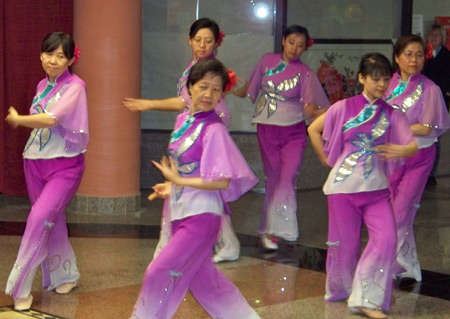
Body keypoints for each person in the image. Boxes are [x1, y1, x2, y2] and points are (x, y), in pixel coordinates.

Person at [131, 59, 260, 319]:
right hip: (182, 212)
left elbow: (221, 181)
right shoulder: (183, 121)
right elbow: (188, 168)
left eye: (216, 89)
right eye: (203, 86)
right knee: (208, 286)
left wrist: (178, 182)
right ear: (189, 88)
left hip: (201, 217)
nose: (209, 94)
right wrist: (169, 186)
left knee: (157, 271)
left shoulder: (214, 129)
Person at [308, 53, 418, 319]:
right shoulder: (343, 107)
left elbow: (412, 144)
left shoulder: (392, 112)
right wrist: (326, 160)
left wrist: (400, 151)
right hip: (342, 189)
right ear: (362, 78)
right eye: (375, 79)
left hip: (377, 190)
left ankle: (366, 298)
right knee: (345, 245)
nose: (381, 85)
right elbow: (313, 129)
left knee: (388, 239)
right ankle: (341, 289)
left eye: (385, 79)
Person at [123, 18, 239, 263]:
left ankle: (173, 247)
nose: (203, 45)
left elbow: (183, 101)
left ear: (217, 42)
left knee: (206, 183)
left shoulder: (209, 68)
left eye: (208, 41)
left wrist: (150, 104)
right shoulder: (194, 66)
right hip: (191, 127)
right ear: (189, 40)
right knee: (201, 186)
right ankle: (226, 243)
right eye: (198, 40)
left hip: (205, 129)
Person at [4, 32, 88, 311]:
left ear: (70, 60)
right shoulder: (43, 84)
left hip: (65, 165)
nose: (53, 60)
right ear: (41, 55)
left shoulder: (76, 87)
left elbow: (52, 119)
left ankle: (20, 286)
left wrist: (20, 120)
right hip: (34, 162)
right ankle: (66, 274)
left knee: (39, 219)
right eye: (49, 54)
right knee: (53, 221)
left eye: (60, 56)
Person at [233, 25, 330, 250]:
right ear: (284, 41)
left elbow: (312, 108)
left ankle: (284, 229)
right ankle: (268, 229)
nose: (295, 48)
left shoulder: (305, 73)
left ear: (305, 48)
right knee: (274, 178)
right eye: (292, 42)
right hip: (267, 129)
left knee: (288, 177)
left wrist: (338, 111)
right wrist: (228, 88)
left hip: (294, 131)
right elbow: (249, 87)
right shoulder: (267, 60)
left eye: (300, 45)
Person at [385, 34, 450, 282]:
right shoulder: (385, 85)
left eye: (419, 54)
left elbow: (426, 127)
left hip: (419, 157)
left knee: (400, 211)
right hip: (390, 155)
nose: (414, 59)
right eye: (409, 54)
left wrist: (394, 125)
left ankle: (385, 262)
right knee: (391, 210)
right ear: (397, 58)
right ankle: (407, 263)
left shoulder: (430, 89)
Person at [422, 23, 450, 187]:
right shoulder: (423, 55)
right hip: (423, 99)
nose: (433, 38)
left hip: (439, 100)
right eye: (431, 36)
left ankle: (431, 174)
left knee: (435, 138)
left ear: (443, 38)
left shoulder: (447, 57)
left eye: (437, 36)